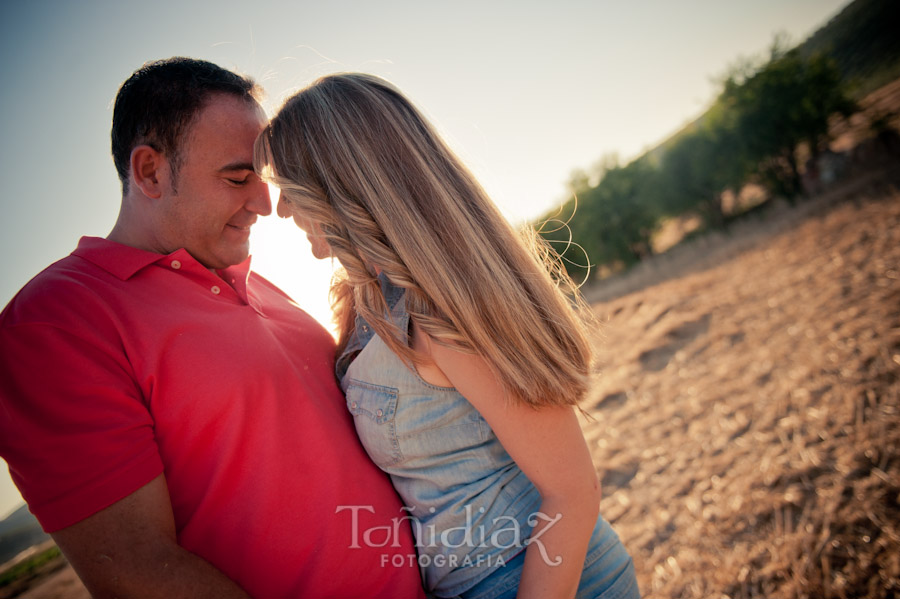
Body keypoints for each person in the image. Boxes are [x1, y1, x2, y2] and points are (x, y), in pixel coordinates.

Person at [0, 59, 424, 599]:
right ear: (150, 171)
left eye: (263, 178)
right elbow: (137, 570)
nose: (265, 204)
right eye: (236, 177)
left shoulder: (265, 285)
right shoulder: (54, 322)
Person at [255, 73, 639, 599]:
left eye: (288, 188)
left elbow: (573, 492)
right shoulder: (369, 299)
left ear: (338, 183)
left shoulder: (439, 314)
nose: (280, 209)